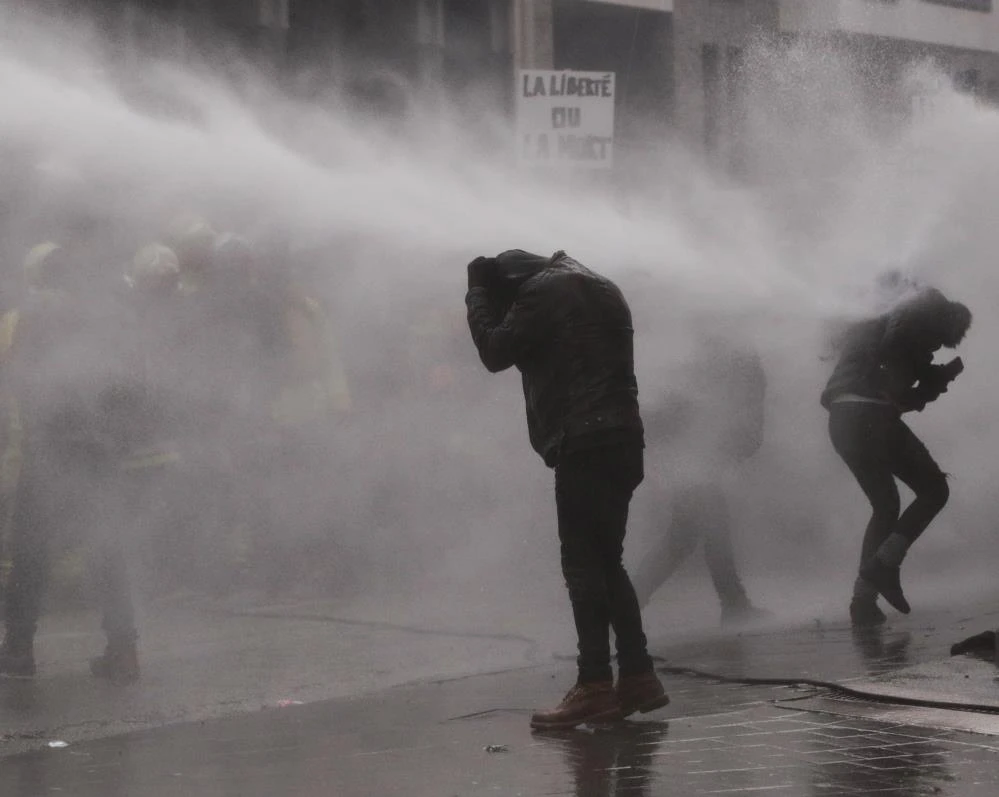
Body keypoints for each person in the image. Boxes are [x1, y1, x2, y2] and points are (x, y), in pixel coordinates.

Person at [466, 249, 668, 730]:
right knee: (607, 561)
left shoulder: (541, 291)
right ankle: (637, 676)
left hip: (584, 439)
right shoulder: (599, 285)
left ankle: (594, 686)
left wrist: (476, 293)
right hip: (623, 438)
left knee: (582, 565)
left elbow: (494, 352)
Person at [0, 241, 140, 682]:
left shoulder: (30, 316)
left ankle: (19, 650)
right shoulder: (106, 317)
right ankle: (123, 650)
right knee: (107, 549)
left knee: (30, 550)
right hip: (99, 447)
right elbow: (127, 381)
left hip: (50, 447)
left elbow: (13, 373)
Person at [822, 287, 971, 626]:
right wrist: (933, 382)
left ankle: (863, 601)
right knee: (935, 490)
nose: (935, 348)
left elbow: (894, 382)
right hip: (871, 416)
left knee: (886, 505)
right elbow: (896, 387)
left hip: (841, 421)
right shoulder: (912, 327)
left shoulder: (882, 321)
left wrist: (930, 380)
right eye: (938, 341)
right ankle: (884, 566)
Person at [631, 328, 769, 626]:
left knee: (682, 538)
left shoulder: (719, 360)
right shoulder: (729, 363)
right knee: (707, 527)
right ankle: (733, 604)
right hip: (693, 460)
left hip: (693, 458)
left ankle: (627, 606)